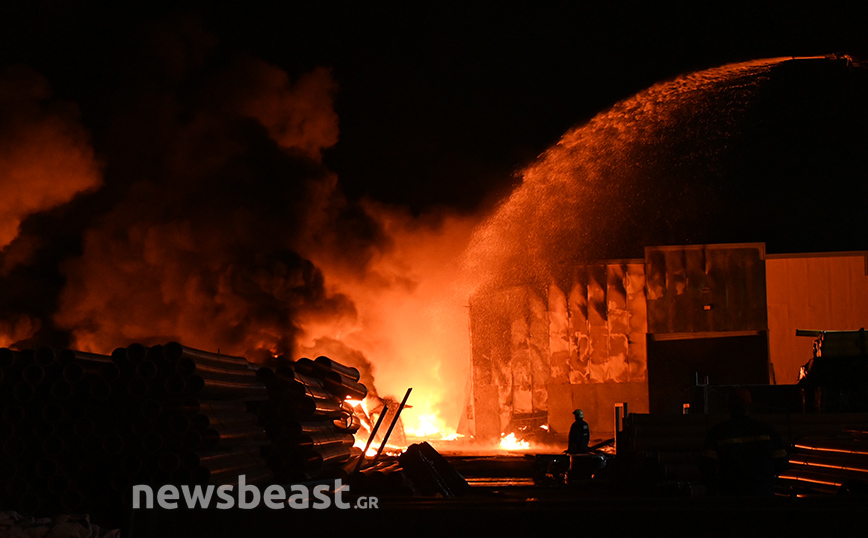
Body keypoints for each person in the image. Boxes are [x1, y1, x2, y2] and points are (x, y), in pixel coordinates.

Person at [703, 388, 788, 497]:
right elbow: (782, 464)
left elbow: (707, 467)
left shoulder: (718, 433)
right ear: (750, 406)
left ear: (728, 407)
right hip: (762, 493)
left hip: (730, 495)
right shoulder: (767, 431)